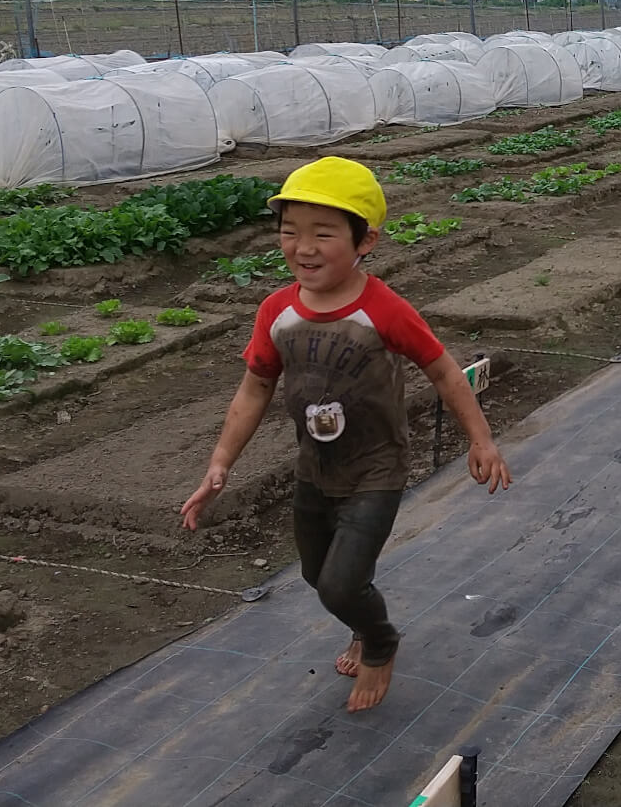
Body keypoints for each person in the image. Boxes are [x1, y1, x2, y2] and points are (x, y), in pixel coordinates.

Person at [179, 157, 511, 713]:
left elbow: (444, 372)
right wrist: (220, 463)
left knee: (339, 583)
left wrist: (481, 440)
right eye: (290, 233)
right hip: (314, 469)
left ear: (365, 241)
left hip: (375, 469)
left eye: (323, 234)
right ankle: (360, 620)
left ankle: (380, 641)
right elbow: (255, 388)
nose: (303, 248)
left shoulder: (383, 309)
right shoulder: (276, 311)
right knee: (317, 574)